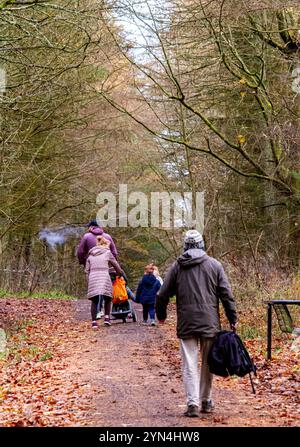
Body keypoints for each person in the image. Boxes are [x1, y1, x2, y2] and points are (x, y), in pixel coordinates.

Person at [156, 229, 237, 417]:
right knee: (208, 363)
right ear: (202, 244)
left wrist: (161, 315)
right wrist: (232, 318)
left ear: (185, 246)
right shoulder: (215, 265)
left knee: (189, 365)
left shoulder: (177, 266)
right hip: (210, 323)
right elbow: (226, 294)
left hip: (187, 323)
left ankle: (192, 403)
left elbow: (162, 294)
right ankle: (206, 401)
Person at [77, 219, 118, 318]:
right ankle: (105, 314)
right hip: (106, 267)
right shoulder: (107, 236)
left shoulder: (86, 236)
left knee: (95, 290)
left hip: (93, 267)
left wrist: (83, 262)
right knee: (106, 290)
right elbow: (114, 253)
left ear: (91, 227)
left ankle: (98, 312)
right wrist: (112, 264)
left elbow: (80, 252)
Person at [85, 235, 123, 329]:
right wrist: (120, 273)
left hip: (93, 277)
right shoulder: (107, 252)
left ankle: (94, 322)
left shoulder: (90, 254)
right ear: (106, 244)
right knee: (108, 297)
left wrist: (89, 280)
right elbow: (115, 264)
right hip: (104, 276)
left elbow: (87, 270)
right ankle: (107, 318)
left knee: (94, 300)